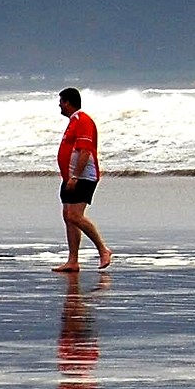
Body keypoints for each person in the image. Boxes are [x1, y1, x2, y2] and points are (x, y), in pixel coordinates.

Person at [55, 87, 113, 273]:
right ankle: (73, 261)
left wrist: (75, 176)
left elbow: (86, 152)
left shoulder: (83, 120)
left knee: (75, 216)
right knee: (68, 216)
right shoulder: (73, 122)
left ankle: (103, 250)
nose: (59, 106)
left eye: (61, 102)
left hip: (83, 177)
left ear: (68, 102)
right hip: (70, 178)